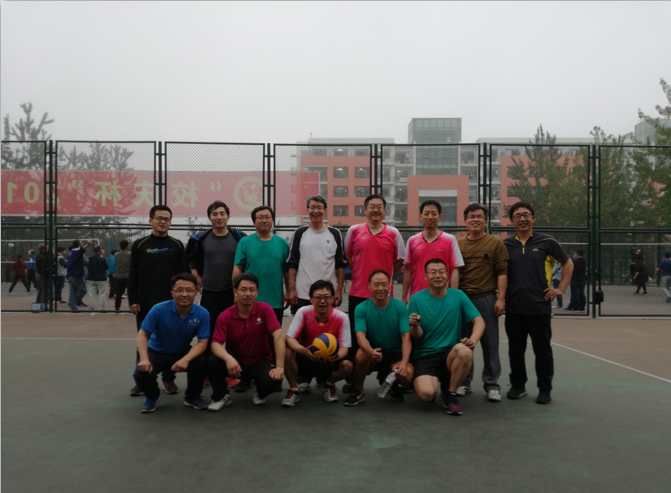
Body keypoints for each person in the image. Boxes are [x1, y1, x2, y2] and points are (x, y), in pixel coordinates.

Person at [503, 201, 573, 405]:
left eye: (526, 215)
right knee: (515, 350)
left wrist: (561, 289)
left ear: (533, 218)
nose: (522, 218)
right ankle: (518, 386)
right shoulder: (506, 245)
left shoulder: (547, 242)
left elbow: (568, 263)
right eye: (517, 215)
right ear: (512, 221)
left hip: (539, 307)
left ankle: (544, 388)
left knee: (542, 350)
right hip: (514, 307)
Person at [343, 194, 405, 391]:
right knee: (356, 338)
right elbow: (348, 256)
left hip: (384, 296)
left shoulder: (393, 232)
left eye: (380, 206)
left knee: (388, 338)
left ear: (384, 210)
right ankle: (354, 380)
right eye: (372, 206)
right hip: (358, 293)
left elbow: (400, 260)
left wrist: (385, 279)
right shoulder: (354, 230)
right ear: (365, 209)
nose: (376, 209)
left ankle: (386, 376)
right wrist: (358, 274)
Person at [409, 258, 485, 416]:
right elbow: (417, 335)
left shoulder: (458, 295)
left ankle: (451, 393)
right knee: (427, 395)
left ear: (447, 275)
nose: (438, 275)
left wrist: (472, 341)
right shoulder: (416, 298)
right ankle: (438, 383)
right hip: (424, 355)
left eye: (441, 272)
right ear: (425, 276)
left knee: (464, 351)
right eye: (433, 272)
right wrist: (415, 325)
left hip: (449, 355)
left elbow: (479, 322)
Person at [128, 205, 188, 397]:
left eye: (167, 219)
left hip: (172, 304)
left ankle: (169, 378)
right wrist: (133, 299)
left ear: (170, 222)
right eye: (159, 218)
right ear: (151, 221)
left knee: (171, 341)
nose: (163, 222)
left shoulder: (177, 245)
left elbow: (184, 275)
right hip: (146, 303)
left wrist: (183, 299)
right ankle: (141, 380)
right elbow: (133, 274)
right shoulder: (140, 245)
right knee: (144, 341)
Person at [206, 273, 286, 410]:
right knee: (212, 362)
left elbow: (278, 336)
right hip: (236, 362)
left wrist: (279, 367)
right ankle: (221, 396)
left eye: (251, 290)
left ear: (256, 293)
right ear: (235, 292)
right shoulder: (225, 316)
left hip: (261, 360)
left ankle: (260, 392)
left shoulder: (265, 309)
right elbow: (215, 344)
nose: (248, 293)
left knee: (275, 380)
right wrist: (228, 359)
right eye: (243, 289)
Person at [456, 203, 509, 402]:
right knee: (463, 344)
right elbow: (454, 273)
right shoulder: (458, 244)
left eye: (479, 216)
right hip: (462, 299)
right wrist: (454, 298)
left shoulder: (496, 243)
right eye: (471, 216)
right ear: (465, 221)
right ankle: (464, 382)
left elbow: (502, 272)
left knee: (490, 344)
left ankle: (492, 385)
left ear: (486, 221)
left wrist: (500, 299)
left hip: (487, 298)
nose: (475, 219)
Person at [134, 273, 209, 413]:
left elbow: (202, 342)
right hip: (157, 352)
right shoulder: (158, 309)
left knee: (202, 361)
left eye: (189, 290)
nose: (184, 294)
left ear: (196, 292)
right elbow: (143, 334)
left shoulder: (203, 313)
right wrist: (144, 359)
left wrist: (186, 359)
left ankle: (192, 397)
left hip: (182, 351)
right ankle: (152, 396)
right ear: (172, 293)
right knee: (140, 373)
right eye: (179, 290)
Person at [344, 270, 414, 406]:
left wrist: (404, 362)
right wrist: (370, 352)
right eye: (376, 285)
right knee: (360, 355)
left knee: (407, 375)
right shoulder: (361, 308)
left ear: (389, 286)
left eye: (384, 284)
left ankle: (389, 381)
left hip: (395, 354)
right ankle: (359, 390)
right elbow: (360, 337)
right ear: (369, 286)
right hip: (374, 351)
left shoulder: (400, 307)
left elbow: (406, 337)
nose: (380, 288)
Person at [186, 201, 246, 349]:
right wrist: (196, 276)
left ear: (228, 216)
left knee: (234, 330)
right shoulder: (200, 239)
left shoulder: (239, 237)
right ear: (209, 218)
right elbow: (192, 260)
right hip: (210, 291)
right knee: (209, 329)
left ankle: (232, 360)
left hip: (232, 292)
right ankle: (209, 360)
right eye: (214, 214)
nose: (219, 217)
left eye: (222, 213)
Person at [283, 280, 353, 406]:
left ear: (332, 299)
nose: (322, 301)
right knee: (286, 352)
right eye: (318, 297)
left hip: (329, 359)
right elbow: (290, 338)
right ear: (311, 299)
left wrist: (334, 357)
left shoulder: (342, 317)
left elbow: (344, 347)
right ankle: (294, 389)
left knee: (348, 365)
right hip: (306, 356)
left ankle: (328, 383)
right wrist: (304, 351)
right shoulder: (303, 312)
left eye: (326, 297)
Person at [286, 195, 346, 313]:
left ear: (325, 210)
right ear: (307, 210)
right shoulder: (299, 233)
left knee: (326, 325)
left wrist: (339, 291)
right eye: (312, 207)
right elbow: (292, 264)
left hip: (327, 294)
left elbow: (340, 265)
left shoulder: (335, 233)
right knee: (303, 324)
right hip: (303, 294)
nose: (316, 211)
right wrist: (292, 289)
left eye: (319, 207)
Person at [232, 205, 290, 325]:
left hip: (275, 301)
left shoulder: (282, 244)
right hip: (249, 300)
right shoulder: (244, 242)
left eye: (267, 217)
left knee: (274, 334)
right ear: (254, 222)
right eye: (260, 217)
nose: (264, 220)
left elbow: (287, 272)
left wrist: (289, 291)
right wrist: (236, 293)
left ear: (272, 220)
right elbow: (237, 268)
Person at [402, 199, 464, 303]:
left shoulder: (450, 240)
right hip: (418, 296)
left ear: (440, 217)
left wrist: (453, 296)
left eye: (434, 214)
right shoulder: (412, 240)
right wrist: (404, 297)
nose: (430, 217)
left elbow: (454, 270)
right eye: (426, 213)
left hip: (443, 297)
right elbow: (408, 270)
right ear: (420, 217)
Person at [66, 240, 92, 312]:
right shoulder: (76, 250)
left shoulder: (70, 252)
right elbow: (82, 249)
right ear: (78, 245)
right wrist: (88, 245)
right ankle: (73, 302)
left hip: (70, 274)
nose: (82, 245)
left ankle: (73, 308)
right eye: (81, 243)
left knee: (72, 292)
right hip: (75, 274)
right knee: (83, 290)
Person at [87, 246, 108, 312]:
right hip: (101, 278)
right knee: (102, 294)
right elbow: (106, 267)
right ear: (99, 250)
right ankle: (102, 308)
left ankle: (91, 308)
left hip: (91, 278)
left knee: (91, 294)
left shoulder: (90, 258)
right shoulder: (102, 259)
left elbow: (88, 266)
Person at [114, 240, 130, 312]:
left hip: (120, 275)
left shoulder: (116, 255)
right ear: (127, 246)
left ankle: (117, 307)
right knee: (130, 293)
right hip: (128, 275)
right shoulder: (130, 254)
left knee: (119, 293)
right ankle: (131, 306)